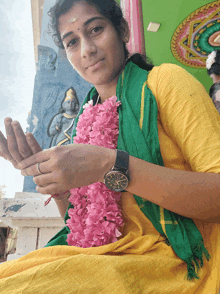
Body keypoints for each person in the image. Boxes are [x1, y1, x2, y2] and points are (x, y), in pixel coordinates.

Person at [0, 0, 220, 293]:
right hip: (104, 257)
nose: (86, 50)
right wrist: (56, 185)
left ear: (123, 30)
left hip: (175, 261)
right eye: (72, 42)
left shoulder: (165, 82)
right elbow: (80, 225)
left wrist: (112, 164)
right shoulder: (85, 122)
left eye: (96, 30)